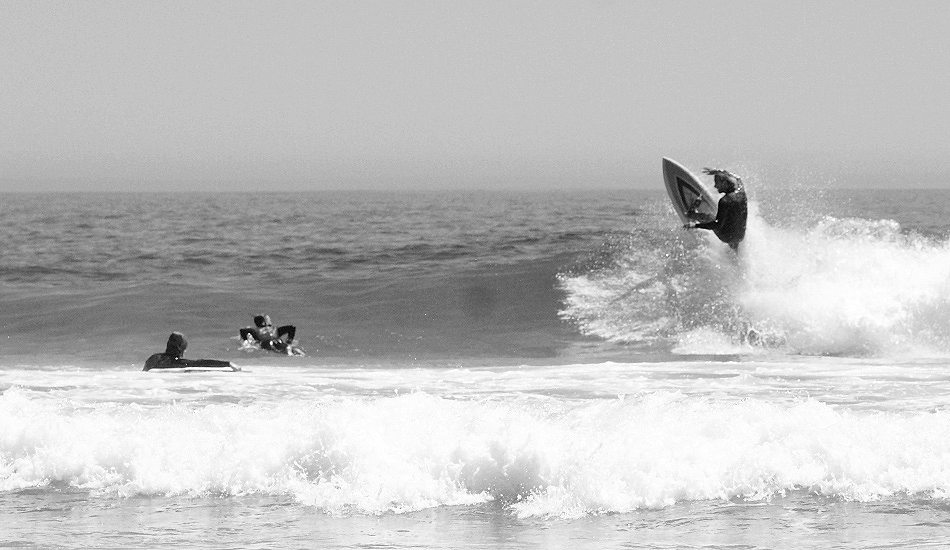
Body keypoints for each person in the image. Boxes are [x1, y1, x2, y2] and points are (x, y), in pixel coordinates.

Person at [685, 168, 748, 250]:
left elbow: (717, 224)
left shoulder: (725, 201)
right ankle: (735, 248)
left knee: (710, 217)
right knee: (733, 217)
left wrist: (695, 225)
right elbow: (737, 178)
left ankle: (691, 214)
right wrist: (720, 171)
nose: (715, 186)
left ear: (724, 182)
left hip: (727, 237)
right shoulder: (741, 192)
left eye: (717, 183)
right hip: (740, 236)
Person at [143, 332, 236, 371]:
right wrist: (228, 364)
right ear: (183, 348)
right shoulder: (178, 363)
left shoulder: (153, 358)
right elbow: (201, 363)